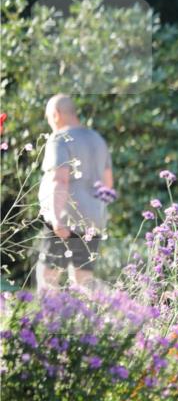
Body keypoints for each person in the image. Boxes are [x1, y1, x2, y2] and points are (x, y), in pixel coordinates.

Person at [37, 94, 113, 291]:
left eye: (48, 118)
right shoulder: (98, 139)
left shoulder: (60, 139)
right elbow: (108, 184)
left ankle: (46, 321)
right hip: (93, 220)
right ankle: (90, 320)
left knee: (48, 278)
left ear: (56, 115)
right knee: (84, 280)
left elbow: (60, 179)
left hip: (65, 216)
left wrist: (56, 219)